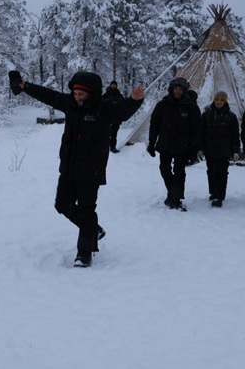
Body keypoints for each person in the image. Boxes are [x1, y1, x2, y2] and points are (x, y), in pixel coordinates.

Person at [9, 70, 144, 267]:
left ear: (91, 93)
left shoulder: (103, 109)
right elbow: (47, 95)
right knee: (62, 205)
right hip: (69, 167)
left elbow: (123, 111)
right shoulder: (70, 104)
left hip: (92, 169)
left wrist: (134, 100)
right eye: (75, 93)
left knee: (87, 209)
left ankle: (84, 253)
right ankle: (93, 230)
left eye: (81, 94)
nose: (77, 97)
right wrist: (25, 86)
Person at [146, 77, 201, 211]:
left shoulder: (191, 107)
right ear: (172, 89)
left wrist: (194, 148)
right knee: (164, 169)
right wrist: (151, 142)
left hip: (182, 146)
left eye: (180, 89)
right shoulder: (162, 105)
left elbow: (196, 128)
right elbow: (154, 124)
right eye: (176, 89)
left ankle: (175, 198)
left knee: (179, 172)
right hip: (165, 144)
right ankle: (172, 193)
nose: (177, 92)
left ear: (184, 91)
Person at [199, 91, 240, 208]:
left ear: (225, 101)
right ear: (214, 100)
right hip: (210, 149)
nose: (219, 102)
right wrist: (200, 148)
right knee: (211, 172)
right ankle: (213, 192)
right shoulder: (206, 115)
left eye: (222, 100)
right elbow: (201, 134)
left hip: (224, 150)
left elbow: (235, 135)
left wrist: (236, 150)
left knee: (222, 173)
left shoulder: (231, 117)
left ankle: (220, 196)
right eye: (217, 99)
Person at [102, 80, 124, 153]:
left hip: (116, 119)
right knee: (106, 133)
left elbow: (123, 106)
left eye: (115, 85)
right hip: (107, 118)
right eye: (112, 85)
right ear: (110, 85)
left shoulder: (119, 95)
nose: (113, 86)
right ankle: (105, 147)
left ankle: (113, 147)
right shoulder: (106, 95)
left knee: (114, 134)